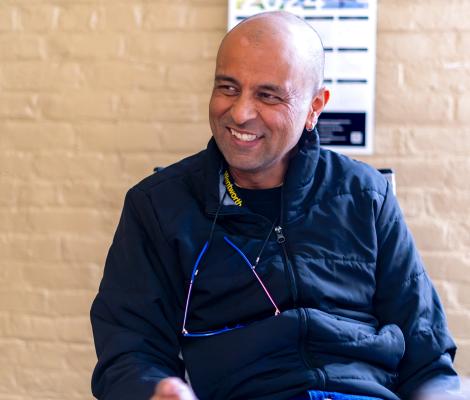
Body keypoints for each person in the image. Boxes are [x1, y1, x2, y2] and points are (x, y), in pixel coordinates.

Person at [90, 11, 459, 400]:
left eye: (268, 95)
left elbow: (428, 357)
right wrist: (155, 393)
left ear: (315, 107)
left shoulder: (366, 196)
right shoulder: (158, 206)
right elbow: (128, 354)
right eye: (228, 88)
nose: (240, 112)